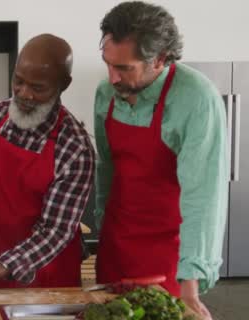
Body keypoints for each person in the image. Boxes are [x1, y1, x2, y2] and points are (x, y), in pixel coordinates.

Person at [94, 2, 228, 319]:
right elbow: (106, 172)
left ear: (160, 60)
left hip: (168, 259)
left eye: (124, 68)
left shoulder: (196, 98)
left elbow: (203, 195)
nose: (112, 78)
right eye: (107, 64)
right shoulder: (105, 93)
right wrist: (102, 231)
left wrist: (190, 285)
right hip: (116, 247)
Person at [0, 34, 95, 292]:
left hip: (48, 273)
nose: (24, 94)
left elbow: (55, 232)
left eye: (38, 88)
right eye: (18, 81)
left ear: (64, 84)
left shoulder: (75, 148)